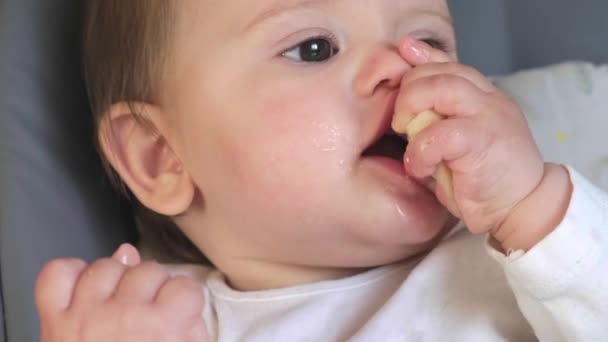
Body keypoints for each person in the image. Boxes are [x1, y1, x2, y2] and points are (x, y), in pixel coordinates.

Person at [35, 0, 608, 340]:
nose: (400, 69)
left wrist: (535, 207)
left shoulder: (528, 251)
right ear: (161, 155)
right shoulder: (164, 322)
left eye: (427, 41)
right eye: (314, 48)